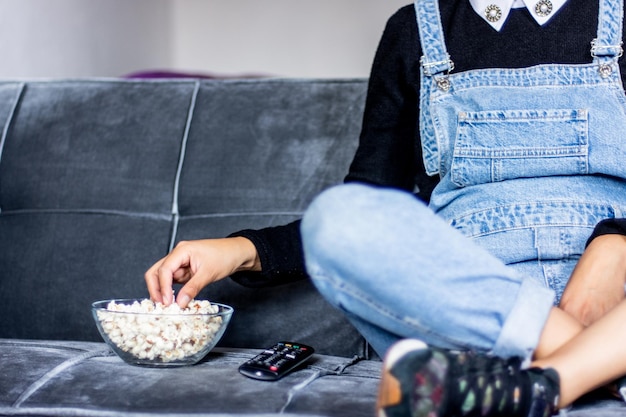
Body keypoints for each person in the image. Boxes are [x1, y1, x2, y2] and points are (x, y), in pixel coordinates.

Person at [145, 0, 626, 415]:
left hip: (617, 292)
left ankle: (518, 386)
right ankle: (597, 366)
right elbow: (372, 198)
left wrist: (614, 239)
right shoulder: (414, 30)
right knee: (338, 219)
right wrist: (245, 250)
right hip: (469, 304)